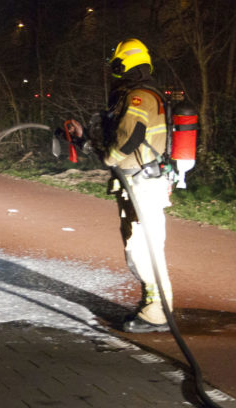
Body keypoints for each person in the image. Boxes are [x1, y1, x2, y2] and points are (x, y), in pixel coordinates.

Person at [64, 38, 173, 333]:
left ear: (123, 65)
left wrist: (107, 157)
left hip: (143, 184)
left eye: (116, 64)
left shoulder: (139, 97)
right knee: (136, 243)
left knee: (143, 247)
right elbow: (116, 143)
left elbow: (125, 141)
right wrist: (86, 140)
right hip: (135, 182)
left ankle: (158, 311)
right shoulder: (135, 95)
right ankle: (153, 304)